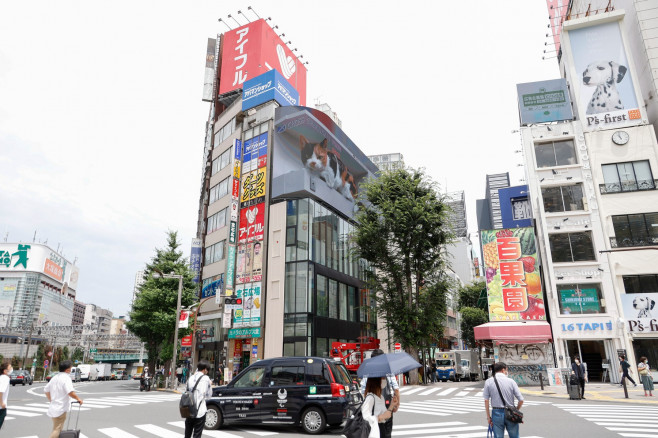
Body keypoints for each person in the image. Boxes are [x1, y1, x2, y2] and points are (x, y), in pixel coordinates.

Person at [483, 362, 524, 438]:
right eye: (506, 370)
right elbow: (521, 400)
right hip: (511, 413)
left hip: (496, 413)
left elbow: (486, 400)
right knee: (514, 436)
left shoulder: (488, 382)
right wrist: (516, 411)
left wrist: (488, 417)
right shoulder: (511, 381)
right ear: (503, 370)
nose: (506, 372)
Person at [44, 360, 83, 438]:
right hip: (61, 408)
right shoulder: (66, 378)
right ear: (67, 370)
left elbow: (46, 390)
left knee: (57, 428)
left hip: (53, 407)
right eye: (70, 368)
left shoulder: (54, 377)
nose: (71, 370)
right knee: (57, 429)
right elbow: (70, 392)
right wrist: (78, 399)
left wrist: (51, 400)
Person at [184, 360, 212, 438]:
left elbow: (186, 391)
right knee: (197, 434)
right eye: (207, 370)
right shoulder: (206, 379)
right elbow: (208, 395)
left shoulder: (191, 377)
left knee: (187, 434)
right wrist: (210, 385)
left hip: (189, 410)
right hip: (200, 411)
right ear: (205, 369)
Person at [0, 362, 12, 430]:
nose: (11, 369)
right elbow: (0, 391)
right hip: (1, 408)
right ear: (5, 371)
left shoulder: (1, 377)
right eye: (10, 368)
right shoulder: (5, 378)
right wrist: (1, 403)